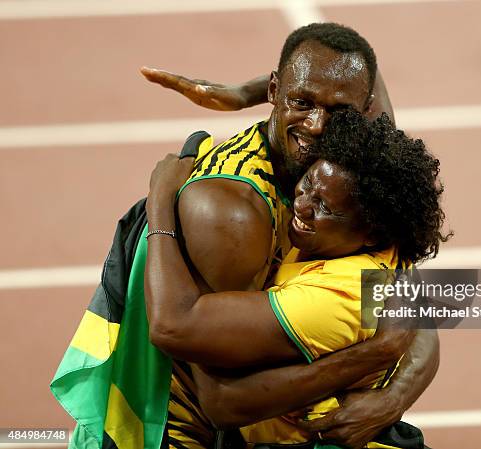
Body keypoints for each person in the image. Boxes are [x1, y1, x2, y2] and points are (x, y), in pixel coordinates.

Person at [51, 22, 439, 449]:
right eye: (301, 101)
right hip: (186, 434)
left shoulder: (358, 169)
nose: (316, 126)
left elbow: (416, 297)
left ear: (364, 110)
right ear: (278, 92)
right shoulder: (233, 215)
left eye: (339, 110)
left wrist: (393, 398)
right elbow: (220, 398)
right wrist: (375, 354)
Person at [145, 107, 448, 447]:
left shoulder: (337, 298)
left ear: (372, 236)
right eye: (307, 185)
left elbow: (220, 400)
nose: (302, 207)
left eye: (323, 207)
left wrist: (159, 205)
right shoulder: (354, 238)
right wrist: (255, 91)